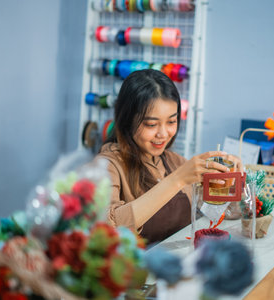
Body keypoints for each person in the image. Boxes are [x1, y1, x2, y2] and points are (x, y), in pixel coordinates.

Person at [95, 69, 241, 244]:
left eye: (171, 121)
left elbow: (225, 213)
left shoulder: (174, 161)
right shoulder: (106, 166)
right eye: (151, 124)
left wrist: (231, 179)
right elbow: (106, 230)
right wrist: (177, 179)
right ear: (126, 120)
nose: (163, 134)